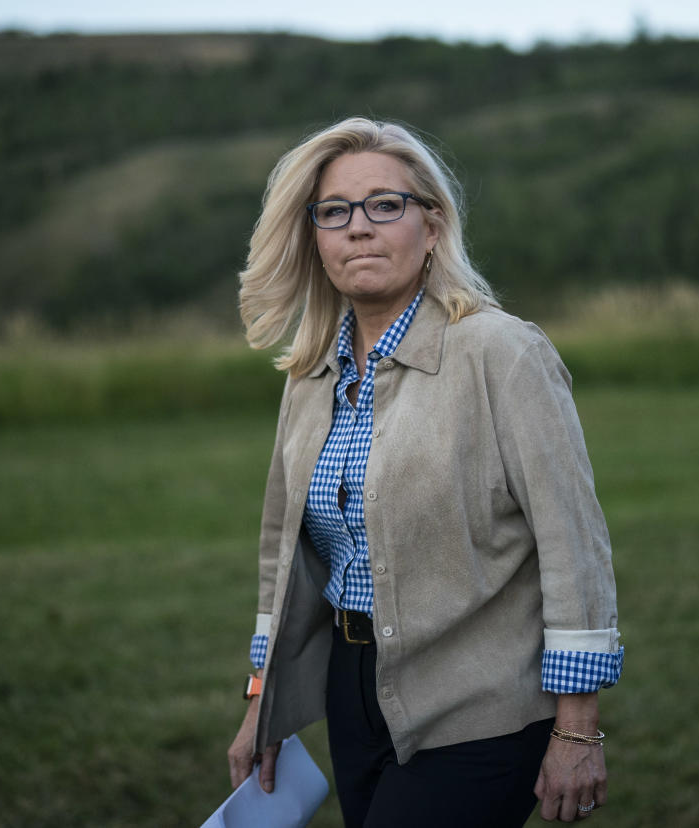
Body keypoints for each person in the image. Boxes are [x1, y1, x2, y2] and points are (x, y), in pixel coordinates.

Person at [226, 117, 623, 826]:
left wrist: (577, 728)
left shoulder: (503, 354)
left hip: (484, 703)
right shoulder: (310, 377)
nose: (359, 228)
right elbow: (281, 560)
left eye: (386, 204)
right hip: (354, 695)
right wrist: (264, 699)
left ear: (431, 227)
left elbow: (575, 547)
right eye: (336, 212)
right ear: (314, 239)